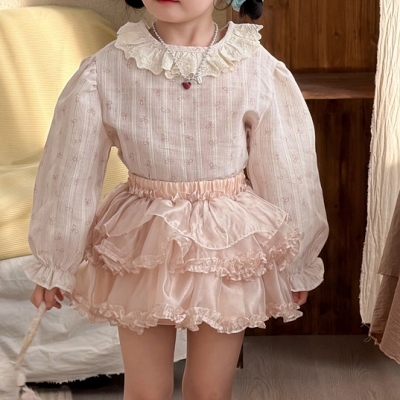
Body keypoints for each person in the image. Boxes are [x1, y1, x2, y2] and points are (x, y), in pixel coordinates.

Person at [27, 0, 329, 398]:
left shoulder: (256, 67)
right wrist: (55, 262)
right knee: (145, 390)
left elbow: (287, 168)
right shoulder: (108, 68)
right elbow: (70, 170)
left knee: (209, 390)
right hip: (142, 240)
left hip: (226, 243)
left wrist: (298, 262)